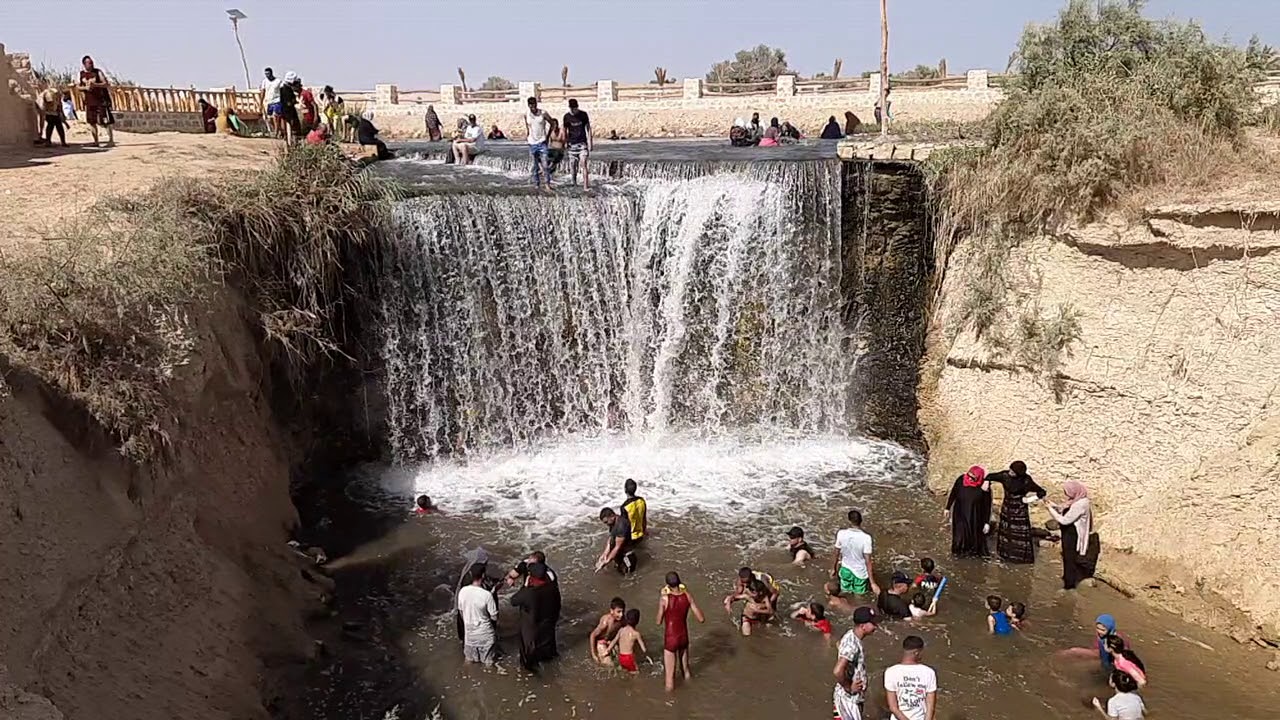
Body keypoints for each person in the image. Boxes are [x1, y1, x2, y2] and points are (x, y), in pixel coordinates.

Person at [987, 460, 1048, 563]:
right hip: (1007, 510)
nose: (1010, 472)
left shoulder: (1026, 480)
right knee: (1006, 533)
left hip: (1020, 512)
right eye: (1010, 469)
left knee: (1019, 534)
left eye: (1013, 471)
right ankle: (1005, 555)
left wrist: (1028, 500)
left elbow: (1041, 492)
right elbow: (989, 476)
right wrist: (986, 483)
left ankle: (1020, 558)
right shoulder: (1005, 476)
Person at [656, 571, 705, 691]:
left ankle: (670, 701)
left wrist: (661, 601)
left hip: (671, 638)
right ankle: (691, 691)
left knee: (669, 679)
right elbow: (701, 619)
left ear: (667, 585)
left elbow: (658, 621)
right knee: (686, 671)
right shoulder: (687, 596)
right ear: (679, 582)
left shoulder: (664, 599)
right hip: (683, 637)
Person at [1047, 480, 1099, 589]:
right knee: (1068, 556)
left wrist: (1050, 510)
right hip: (1070, 532)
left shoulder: (1080, 504)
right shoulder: (1079, 500)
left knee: (1069, 558)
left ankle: (1069, 585)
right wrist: (1053, 505)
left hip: (1072, 534)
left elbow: (1065, 520)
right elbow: (1065, 508)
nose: (1067, 495)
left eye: (1068, 492)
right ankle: (1068, 578)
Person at [509, 561, 560, 671]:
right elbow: (557, 605)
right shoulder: (552, 588)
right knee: (548, 653)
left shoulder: (529, 593)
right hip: (547, 625)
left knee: (528, 659)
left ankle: (529, 673)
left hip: (531, 630)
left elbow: (513, 601)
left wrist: (525, 587)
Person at [833, 607, 879, 720]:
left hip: (853, 699)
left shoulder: (851, 636)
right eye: (873, 623)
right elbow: (837, 671)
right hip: (847, 701)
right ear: (863, 626)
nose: (876, 626)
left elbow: (838, 644)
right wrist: (849, 688)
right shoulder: (852, 645)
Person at [884, 635, 938, 720]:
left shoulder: (891, 671)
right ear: (917, 652)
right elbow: (930, 707)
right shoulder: (929, 672)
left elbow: (893, 707)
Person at [830, 509, 879, 600]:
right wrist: (872, 582)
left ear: (849, 520)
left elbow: (836, 552)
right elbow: (868, 561)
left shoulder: (841, 533)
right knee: (859, 596)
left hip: (845, 570)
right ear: (861, 521)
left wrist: (833, 568)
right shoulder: (866, 538)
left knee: (845, 593)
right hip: (860, 572)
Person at [456, 562, 499, 666]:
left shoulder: (462, 591)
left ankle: (465, 675)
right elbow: (494, 617)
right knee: (488, 663)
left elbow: (461, 612)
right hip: (486, 635)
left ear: (471, 574)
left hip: (470, 635)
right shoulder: (487, 595)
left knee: (468, 660)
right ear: (483, 575)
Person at [944, 466, 992, 557]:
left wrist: (986, 522)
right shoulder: (961, 480)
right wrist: (947, 508)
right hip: (960, 514)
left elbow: (987, 505)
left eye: (973, 478)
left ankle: (972, 556)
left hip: (975, 516)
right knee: (959, 537)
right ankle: (957, 556)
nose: (969, 479)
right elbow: (953, 493)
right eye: (968, 476)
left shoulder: (984, 487)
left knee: (974, 539)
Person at [78, 55, 114, 147]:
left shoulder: (98, 72)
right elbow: (78, 86)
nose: (91, 64)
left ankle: (111, 140)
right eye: (89, 63)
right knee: (91, 122)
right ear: (84, 64)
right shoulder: (81, 74)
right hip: (89, 101)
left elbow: (105, 83)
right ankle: (96, 141)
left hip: (101, 100)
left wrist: (95, 85)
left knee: (105, 120)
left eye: (91, 62)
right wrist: (85, 88)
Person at [595, 507, 637, 574]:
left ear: (612, 516)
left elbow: (617, 547)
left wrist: (607, 561)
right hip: (619, 554)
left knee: (627, 576)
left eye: (606, 522)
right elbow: (611, 538)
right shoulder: (613, 523)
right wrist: (605, 554)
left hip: (626, 556)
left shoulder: (621, 526)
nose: (607, 524)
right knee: (618, 572)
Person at [562, 98, 593, 188]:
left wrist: (590, 142)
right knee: (573, 166)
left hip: (582, 144)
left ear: (577, 107)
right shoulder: (566, 117)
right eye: (572, 108)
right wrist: (564, 142)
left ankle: (585, 186)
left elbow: (588, 128)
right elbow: (564, 130)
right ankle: (574, 183)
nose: (573, 110)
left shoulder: (583, 115)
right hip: (572, 145)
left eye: (575, 108)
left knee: (583, 163)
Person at [523, 96, 553, 189]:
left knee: (545, 165)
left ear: (536, 104)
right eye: (531, 106)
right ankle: (537, 184)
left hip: (542, 142)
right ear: (528, 106)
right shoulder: (526, 114)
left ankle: (547, 184)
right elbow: (527, 126)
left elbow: (552, 123)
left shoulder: (543, 113)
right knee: (535, 166)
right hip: (532, 143)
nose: (533, 108)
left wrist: (548, 137)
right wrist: (528, 135)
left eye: (534, 105)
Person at [605, 609, 647, 673]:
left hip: (621, 657)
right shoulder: (636, 634)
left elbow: (614, 641)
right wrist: (646, 655)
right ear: (637, 621)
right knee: (636, 673)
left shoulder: (621, 630)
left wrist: (607, 650)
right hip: (629, 657)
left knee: (625, 671)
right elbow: (644, 649)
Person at [588, 597, 626, 665]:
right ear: (612, 611)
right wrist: (594, 654)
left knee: (620, 662)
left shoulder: (623, 620)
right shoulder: (606, 621)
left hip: (612, 641)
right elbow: (593, 635)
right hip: (601, 642)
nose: (621, 614)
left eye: (623, 611)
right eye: (618, 612)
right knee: (609, 665)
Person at [621, 478, 647, 544]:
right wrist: (644, 531)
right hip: (641, 534)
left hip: (631, 537)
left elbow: (624, 526)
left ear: (625, 490)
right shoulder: (641, 501)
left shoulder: (625, 506)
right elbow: (644, 519)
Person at [260, 67, 284, 137]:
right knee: (270, 119)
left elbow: (282, 90)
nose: (267, 75)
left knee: (275, 117)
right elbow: (263, 91)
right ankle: (279, 130)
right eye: (266, 74)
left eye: (268, 73)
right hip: (269, 101)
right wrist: (261, 102)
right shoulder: (264, 82)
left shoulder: (278, 81)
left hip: (277, 101)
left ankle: (276, 133)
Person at [278, 73, 301, 142]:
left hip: (285, 110)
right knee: (291, 127)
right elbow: (288, 102)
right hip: (288, 111)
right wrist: (293, 101)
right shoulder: (286, 90)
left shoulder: (283, 88)